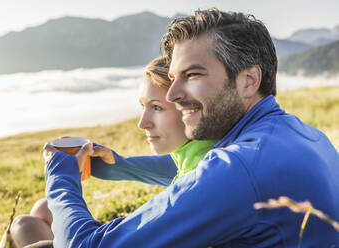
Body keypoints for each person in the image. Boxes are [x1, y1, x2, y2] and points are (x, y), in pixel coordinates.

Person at [43, 8, 339, 247]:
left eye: (193, 75)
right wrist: (115, 166)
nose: (172, 95)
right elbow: (193, 173)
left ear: (249, 81)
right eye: (174, 77)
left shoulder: (238, 166)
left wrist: (60, 173)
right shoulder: (308, 135)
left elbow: (87, 245)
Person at [0, 56, 215, 248]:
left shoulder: (196, 189)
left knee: (23, 225)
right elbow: (173, 167)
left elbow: (82, 244)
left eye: (156, 107)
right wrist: (111, 164)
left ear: (190, 110)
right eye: (143, 106)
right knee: (43, 208)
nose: (142, 123)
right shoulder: (211, 156)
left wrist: (59, 173)